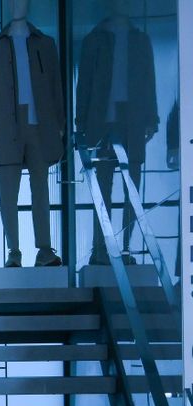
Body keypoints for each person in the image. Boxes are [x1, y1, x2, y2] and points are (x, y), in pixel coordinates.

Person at [0, 0, 64, 268]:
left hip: (39, 124)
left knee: (40, 189)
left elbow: (55, 85)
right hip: (6, 125)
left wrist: (59, 122)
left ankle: (45, 249)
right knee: (8, 192)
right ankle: (13, 250)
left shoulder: (45, 44)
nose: (18, 4)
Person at [76, 0, 158, 265]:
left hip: (131, 122)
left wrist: (151, 119)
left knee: (131, 188)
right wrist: (81, 126)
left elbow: (148, 81)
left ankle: (125, 248)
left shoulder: (140, 40)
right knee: (103, 188)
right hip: (103, 124)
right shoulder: (94, 40)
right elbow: (84, 85)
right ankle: (101, 248)